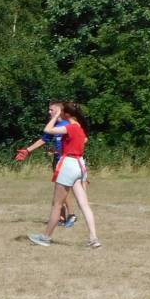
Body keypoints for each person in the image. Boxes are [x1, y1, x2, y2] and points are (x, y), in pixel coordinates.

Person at [28, 103, 101, 248]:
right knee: (84, 204)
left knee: (57, 204)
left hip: (68, 165)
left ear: (66, 114)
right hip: (80, 165)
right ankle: (94, 239)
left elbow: (47, 130)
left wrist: (55, 117)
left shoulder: (70, 127)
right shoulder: (79, 127)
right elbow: (80, 142)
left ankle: (46, 238)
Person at [15, 100, 77, 228]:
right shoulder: (55, 125)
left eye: (51, 110)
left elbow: (76, 143)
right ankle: (61, 218)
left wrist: (61, 152)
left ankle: (71, 215)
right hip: (57, 160)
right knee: (58, 189)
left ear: (59, 111)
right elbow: (44, 139)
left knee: (62, 190)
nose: (49, 112)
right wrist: (27, 150)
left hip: (66, 161)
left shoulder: (67, 124)